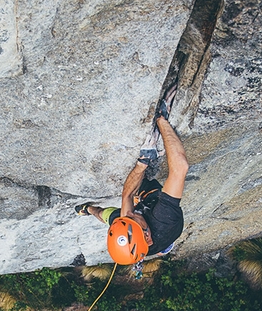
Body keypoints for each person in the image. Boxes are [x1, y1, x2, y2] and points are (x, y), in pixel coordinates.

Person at [75, 86, 189, 265]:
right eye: (132, 219)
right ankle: (164, 249)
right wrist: (161, 119)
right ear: (147, 237)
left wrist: (142, 163)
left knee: (104, 214)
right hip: (165, 229)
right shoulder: (164, 220)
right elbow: (180, 167)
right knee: (145, 194)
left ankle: (86, 209)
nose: (130, 214)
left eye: (126, 218)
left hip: (145, 232)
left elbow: (127, 195)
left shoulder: (126, 222)